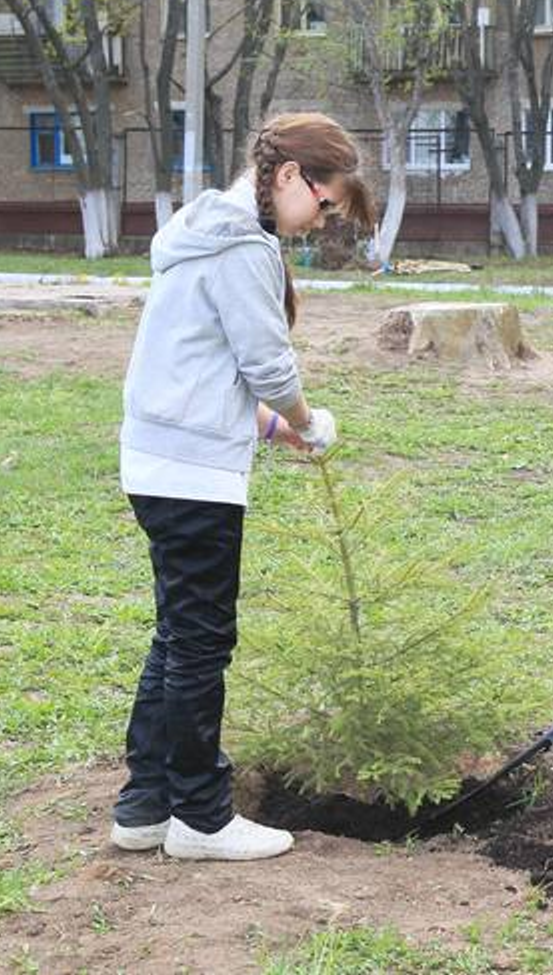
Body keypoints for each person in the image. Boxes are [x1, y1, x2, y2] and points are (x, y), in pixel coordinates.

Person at [113, 112, 372, 860]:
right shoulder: (243, 246)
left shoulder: (203, 232)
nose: (319, 222)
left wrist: (267, 427)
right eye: (323, 204)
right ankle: (201, 818)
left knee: (177, 634)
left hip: (158, 458)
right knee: (201, 643)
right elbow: (266, 363)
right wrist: (308, 422)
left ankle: (145, 805)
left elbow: (198, 359)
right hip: (193, 475)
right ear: (290, 175)